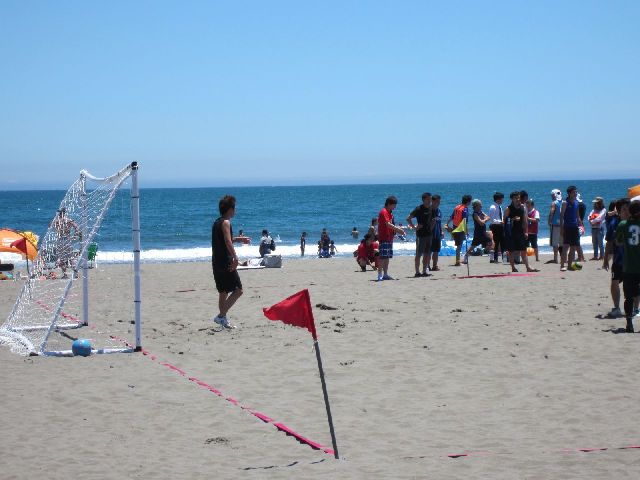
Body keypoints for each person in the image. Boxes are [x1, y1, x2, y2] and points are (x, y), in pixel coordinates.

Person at [211, 195, 242, 329]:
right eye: (234, 208)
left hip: (217, 262)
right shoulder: (226, 222)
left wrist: (239, 239)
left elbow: (224, 239)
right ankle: (221, 316)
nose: (235, 211)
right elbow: (228, 241)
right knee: (238, 290)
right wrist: (236, 258)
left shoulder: (216, 222)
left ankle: (223, 319)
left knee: (223, 291)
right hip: (226, 262)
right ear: (230, 209)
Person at [616, 200, 640, 333]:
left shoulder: (623, 224)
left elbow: (618, 242)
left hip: (629, 266)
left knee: (628, 297)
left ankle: (629, 323)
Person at [603, 199, 627, 318]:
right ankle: (617, 308)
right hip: (618, 260)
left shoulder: (635, 223)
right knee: (614, 283)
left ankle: (636, 309)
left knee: (632, 285)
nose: (627, 212)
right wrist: (605, 259)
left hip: (633, 261)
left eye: (628, 209)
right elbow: (609, 242)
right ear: (618, 211)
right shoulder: (614, 223)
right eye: (624, 209)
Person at [504, 191, 538, 273]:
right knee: (511, 251)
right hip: (511, 232)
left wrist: (526, 231)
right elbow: (504, 221)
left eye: (518, 197)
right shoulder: (508, 209)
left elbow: (525, 220)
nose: (518, 199)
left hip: (520, 231)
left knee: (523, 250)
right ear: (512, 199)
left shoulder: (523, 207)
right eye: (515, 198)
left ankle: (528, 267)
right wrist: (512, 219)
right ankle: (513, 267)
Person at [376, 196, 405, 281]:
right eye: (394, 205)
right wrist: (398, 230)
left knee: (387, 256)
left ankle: (385, 274)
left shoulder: (390, 212)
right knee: (382, 257)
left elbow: (391, 224)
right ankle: (379, 275)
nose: (395, 207)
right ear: (389, 204)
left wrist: (395, 232)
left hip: (389, 237)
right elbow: (387, 224)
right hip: (384, 237)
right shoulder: (383, 211)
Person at [406, 192, 433, 277]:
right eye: (428, 199)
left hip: (429, 234)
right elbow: (408, 218)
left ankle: (424, 271)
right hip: (421, 235)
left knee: (427, 254)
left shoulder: (431, 208)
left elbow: (432, 220)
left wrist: (432, 227)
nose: (430, 200)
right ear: (424, 199)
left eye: (430, 199)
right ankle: (417, 272)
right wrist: (414, 227)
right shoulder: (419, 209)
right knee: (419, 254)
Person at [50, 207, 81, 278]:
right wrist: (75, 235)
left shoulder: (56, 221)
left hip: (60, 240)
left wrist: (56, 220)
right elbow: (77, 227)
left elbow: (50, 226)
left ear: (59, 213)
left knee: (62, 258)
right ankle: (76, 273)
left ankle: (64, 274)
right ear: (64, 213)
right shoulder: (68, 220)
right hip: (67, 240)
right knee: (71, 257)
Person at [560, 186, 583, 271]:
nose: (575, 193)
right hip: (567, 227)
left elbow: (578, 215)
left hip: (575, 227)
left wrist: (580, 224)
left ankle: (569, 266)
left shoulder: (577, 202)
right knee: (565, 247)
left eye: (576, 192)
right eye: (574, 192)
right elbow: (561, 216)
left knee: (573, 247)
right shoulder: (565, 203)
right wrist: (561, 228)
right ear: (569, 193)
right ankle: (562, 265)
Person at [464, 199, 493, 263]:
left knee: (490, 242)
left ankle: (491, 258)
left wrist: (484, 220)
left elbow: (488, 217)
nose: (481, 206)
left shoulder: (481, 212)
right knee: (473, 246)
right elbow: (481, 223)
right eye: (480, 205)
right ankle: (465, 257)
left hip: (483, 232)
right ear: (476, 206)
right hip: (478, 233)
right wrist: (485, 220)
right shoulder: (475, 214)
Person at [446, 194, 472, 267]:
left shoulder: (457, 207)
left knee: (458, 245)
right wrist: (466, 231)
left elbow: (452, 217)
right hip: (460, 229)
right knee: (459, 246)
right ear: (468, 202)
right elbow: (464, 221)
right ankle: (457, 262)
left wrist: (447, 224)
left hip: (455, 228)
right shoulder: (465, 209)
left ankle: (457, 260)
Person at [546, 189, 563, 264]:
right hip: (562, 224)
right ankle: (563, 258)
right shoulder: (563, 202)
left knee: (555, 243)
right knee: (561, 242)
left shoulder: (554, 203)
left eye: (552, 195)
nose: (551, 196)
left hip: (555, 224)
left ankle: (555, 259)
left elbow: (552, 211)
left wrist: (549, 221)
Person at [488, 192, 505, 263]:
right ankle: (495, 258)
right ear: (498, 199)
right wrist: (500, 222)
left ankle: (504, 258)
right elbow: (492, 219)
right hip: (495, 226)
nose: (502, 200)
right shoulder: (493, 207)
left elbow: (501, 216)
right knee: (496, 242)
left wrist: (503, 221)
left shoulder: (499, 207)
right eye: (501, 199)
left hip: (501, 226)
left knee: (503, 242)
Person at [430, 194, 443, 271]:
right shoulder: (429, 210)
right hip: (430, 234)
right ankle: (427, 266)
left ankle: (435, 266)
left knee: (436, 251)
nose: (438, 203)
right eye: (437, 201)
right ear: (432, 201)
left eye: (439, 202)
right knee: (428, 251)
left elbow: (439, 222)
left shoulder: (439, 211)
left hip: (437, 234)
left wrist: (441, 231)